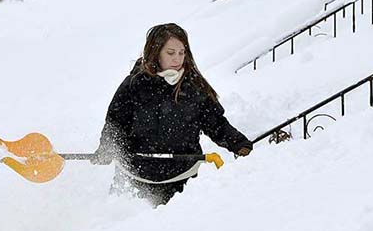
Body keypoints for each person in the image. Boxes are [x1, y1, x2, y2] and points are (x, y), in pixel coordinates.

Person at [92, 23, 253, 206]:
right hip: (134, 177)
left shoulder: (194, 88)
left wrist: (238, 144)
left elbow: (215, 123)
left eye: (181, 53)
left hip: (182, 181)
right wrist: (107, 148)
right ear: (156, 52)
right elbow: (115, 123)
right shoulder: (134, 85)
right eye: (170, 53)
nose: (177, 59)